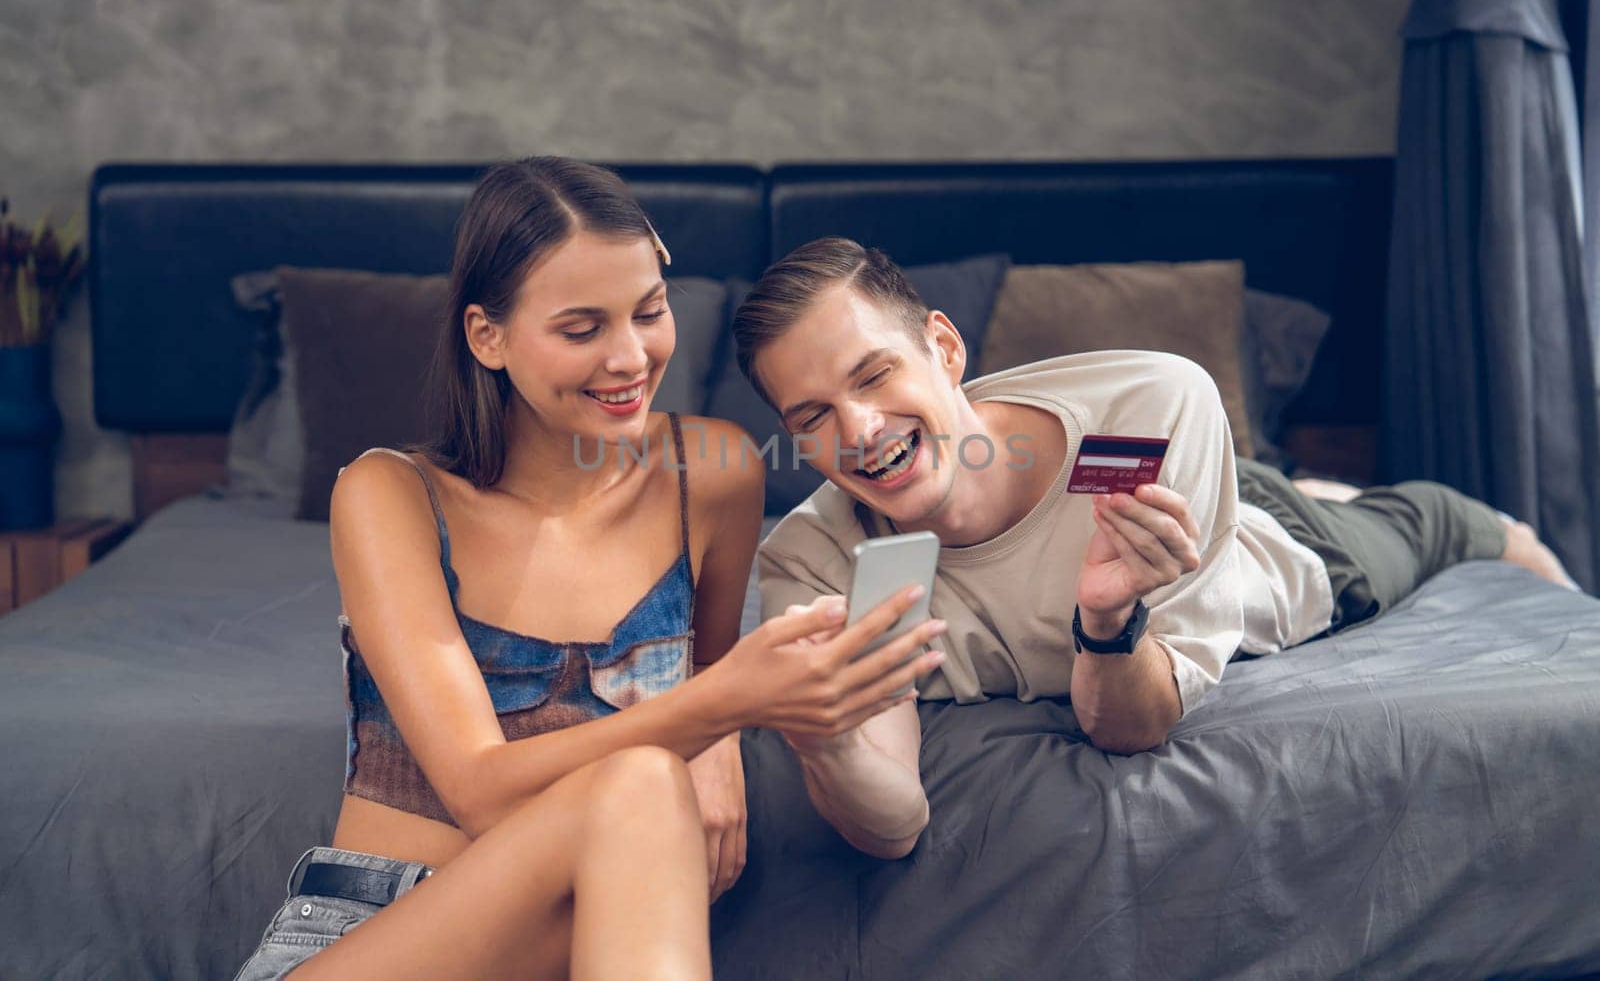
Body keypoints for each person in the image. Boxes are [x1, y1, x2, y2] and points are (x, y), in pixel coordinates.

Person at [232, 164, 943, 981]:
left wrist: (714, 740)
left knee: (645, 785)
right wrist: (721, 707)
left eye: (649, 311)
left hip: (574, 946)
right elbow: (482, 790)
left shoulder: (712, 471)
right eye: (582, 329)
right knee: (641, 782)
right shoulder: (388, 494)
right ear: (486, 336)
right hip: (374, 935)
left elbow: (709, 659)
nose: (631, 357)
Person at [730, 236, 1578, 860]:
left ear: (944, 349)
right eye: (811, 417)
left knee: (1434, 523)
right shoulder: (812, 565)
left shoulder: (1152, 399)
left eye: (874, 376)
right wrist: (824, 737)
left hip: (1293, 545)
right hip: (1167, 522)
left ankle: (1341, 493)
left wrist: (1109, 623)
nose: (860, 430)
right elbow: (895, 822)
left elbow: (1134, 723)